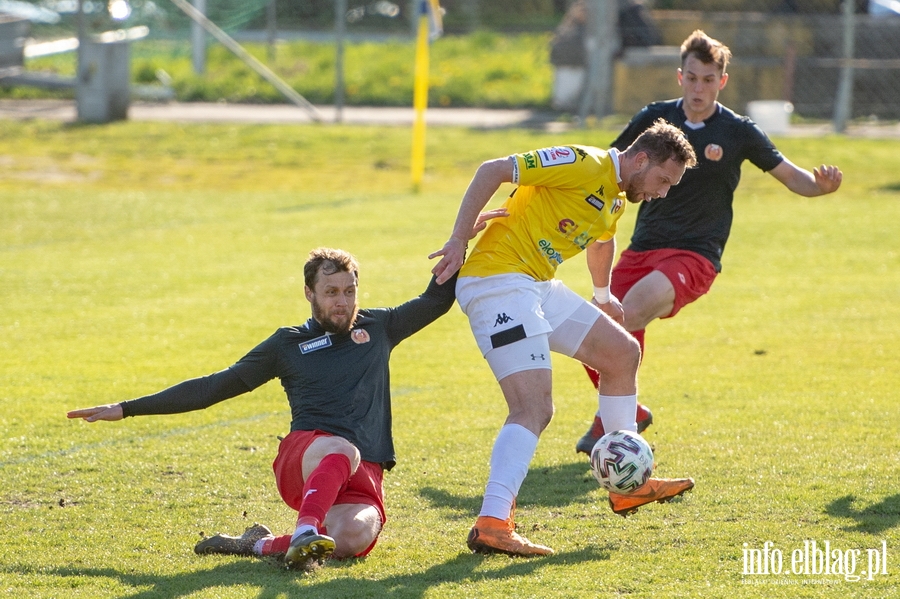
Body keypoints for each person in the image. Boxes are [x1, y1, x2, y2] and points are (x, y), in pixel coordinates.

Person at [67, 244, 489, 570]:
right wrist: (126, 408)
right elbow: (213, 387)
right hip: (306, 456)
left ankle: (256, 543)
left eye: (349, 291)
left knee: (352, 540)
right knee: (342, 449)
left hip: (365, 472)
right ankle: (306, 528)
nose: (342, 302)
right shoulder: (287, 345)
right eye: (330, 293)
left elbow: (436, 299)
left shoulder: (379, 327)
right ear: (309, 293)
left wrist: (463, 240)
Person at [429, 119, 698, 557]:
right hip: (497, 280)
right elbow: (492, 168)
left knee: (621, 353)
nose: (663, 192)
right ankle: (493, 521)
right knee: (534, 407)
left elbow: (601, 240)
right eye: (663, 180)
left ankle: (628, 483)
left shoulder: (615, 196)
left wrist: (603, 294)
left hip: (533, 285)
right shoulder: (582, 163)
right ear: (641, 159)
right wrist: (459, 238)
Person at [573, 30, 843, 456]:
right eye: (692, 78)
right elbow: (610, 163)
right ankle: (631, 413)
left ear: (723, 81)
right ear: (680, 77)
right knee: (589, 332)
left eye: (708, 79)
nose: (699, 88)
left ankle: (614, 424)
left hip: (693, 256)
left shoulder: (737, 131)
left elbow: (793, 177)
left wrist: (821, 186)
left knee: (627, 314)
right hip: (641, 247)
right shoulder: (656, 119)